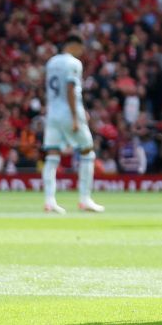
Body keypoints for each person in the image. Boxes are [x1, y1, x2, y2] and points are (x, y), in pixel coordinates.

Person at [40, 33, 102, 214]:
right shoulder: (74, 63)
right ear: (74, 46)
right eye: (81, 49)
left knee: (51, 156)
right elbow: (70, 88)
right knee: (87, 151)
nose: (81, 53)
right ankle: (85, 199)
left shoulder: (51, 62)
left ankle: (49, 201)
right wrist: (76, 116)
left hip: (52, 114)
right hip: (68, 113)